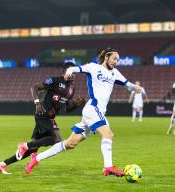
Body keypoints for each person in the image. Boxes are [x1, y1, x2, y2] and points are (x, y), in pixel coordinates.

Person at [25, 47, 142, 176]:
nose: (116, 62)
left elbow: (127, 84)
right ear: (106, 57)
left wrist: (135, 87)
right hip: (93, 108)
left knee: (70, 144)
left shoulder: (115, 73)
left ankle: (36, 159)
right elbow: (75, 69)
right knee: (108, 135)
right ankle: (108, 167)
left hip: (99, 112)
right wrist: (69, 71)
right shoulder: (93, 67)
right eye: (114, 58)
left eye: (118, 60)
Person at [0, 62, 86, 174]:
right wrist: (37, 103)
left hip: (50, 117)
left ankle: (2, 164)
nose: (73, 74)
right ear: (64, 72)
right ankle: (24, 145)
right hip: (43, 114)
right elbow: (35, 87)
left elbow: (67, 108)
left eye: (75, 72)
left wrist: (76, 104)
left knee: (33, 149)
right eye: (71, 71)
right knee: (55, 139)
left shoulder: (72, 89)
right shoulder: (55, 81)